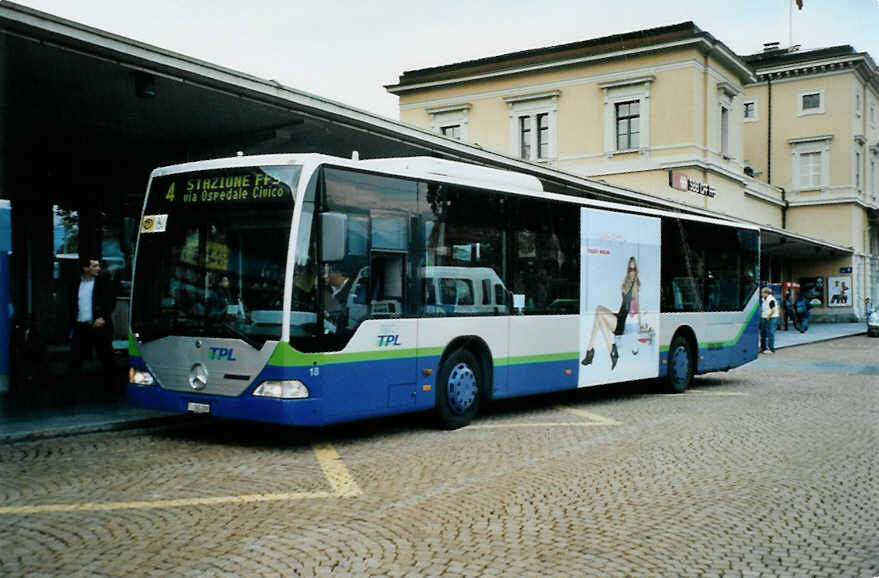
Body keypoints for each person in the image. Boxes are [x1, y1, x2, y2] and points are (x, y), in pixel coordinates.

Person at [581, 256, 646, 370]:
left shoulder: (636, 285)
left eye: (634, 269)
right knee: (599, 313)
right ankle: (609, 352)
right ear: (628, 270)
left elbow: (637, 306)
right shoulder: (626, 283)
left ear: (636, 270)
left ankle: (591, 352)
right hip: (619, 316)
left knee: (599, 313)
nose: (632, 272)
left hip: (621, 323)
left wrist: (640, 326)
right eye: (630, 269)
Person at [67, 257, 118, 389]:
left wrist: (103, 317)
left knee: (106, 358)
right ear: (85, 268)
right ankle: (69, 392)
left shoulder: (102, 283)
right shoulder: (78, 284)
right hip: (81, 325)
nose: (98, 268)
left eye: (98, 266)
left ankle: (112, 388)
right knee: (75, 358)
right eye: (94, 266)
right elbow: (72, 304)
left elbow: (111, 301)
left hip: (99, 325)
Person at [760, 287, 779, 354]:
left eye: (762, 292)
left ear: (766, 293)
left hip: (772, 318)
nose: (761, 294)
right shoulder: (763, 299)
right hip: (764, 317)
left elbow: (773, 310)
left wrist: (768, 317)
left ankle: (771, 349)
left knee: (770, 333)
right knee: (763, 333)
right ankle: (763, 348)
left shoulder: (771, 299)